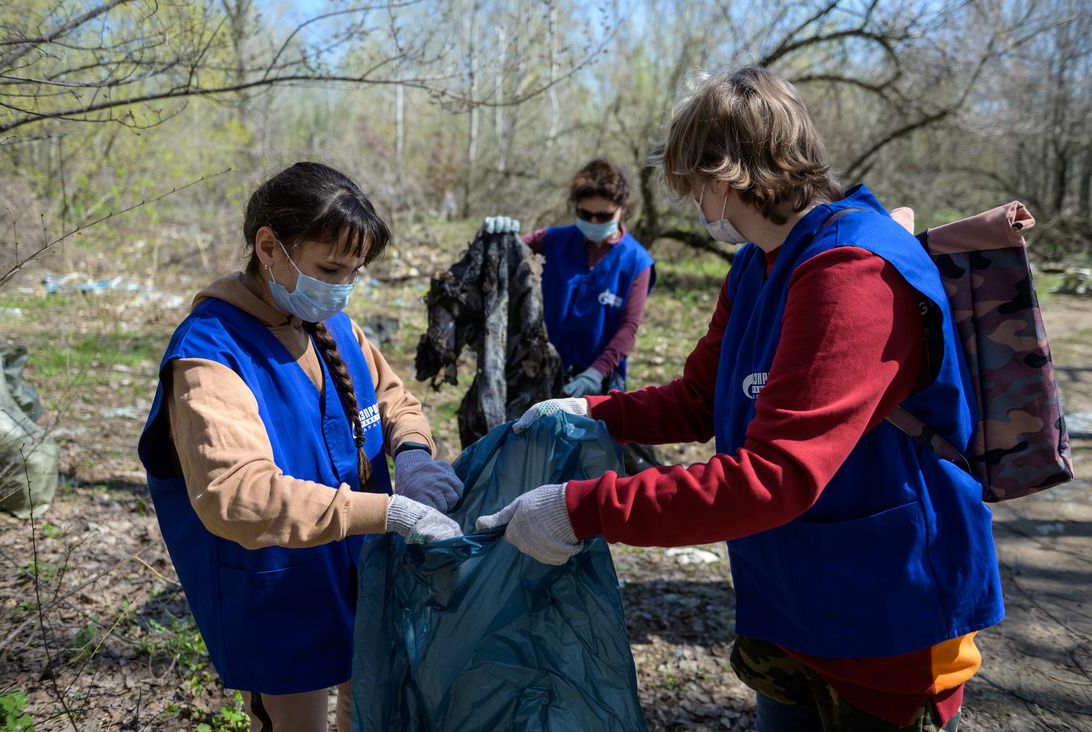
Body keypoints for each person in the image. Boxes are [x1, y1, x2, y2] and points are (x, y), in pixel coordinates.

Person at [477, 66, 1003, 731]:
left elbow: (776, 476)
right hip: (789, 603)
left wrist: (582, 510)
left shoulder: (852, 275)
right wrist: (591, 410)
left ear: (723, 176)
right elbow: (702, 398)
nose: (689, 198)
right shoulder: (758, 262)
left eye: (690, 182)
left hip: (885, 621)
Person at [138, 161, 463, 732]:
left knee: (370, 711)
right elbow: (237, 494)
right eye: (330, 268)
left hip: (359, 569)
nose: (341, 288)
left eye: (354, 273)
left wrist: (410, 455)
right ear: (269, 247)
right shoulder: (209, 354)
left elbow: (394, 401)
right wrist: (386, 511)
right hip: (276, 588)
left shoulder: (335, 328)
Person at [486, 158, 656, 397]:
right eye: (585, 214)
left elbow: (628, 328)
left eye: (604, 216)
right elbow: (502, 254)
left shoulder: (637, 261)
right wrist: (495, 235)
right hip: (542, 373)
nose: (594, 222)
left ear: (623, 209)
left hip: (598, 380)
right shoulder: (553, 240)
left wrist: (597, 373)